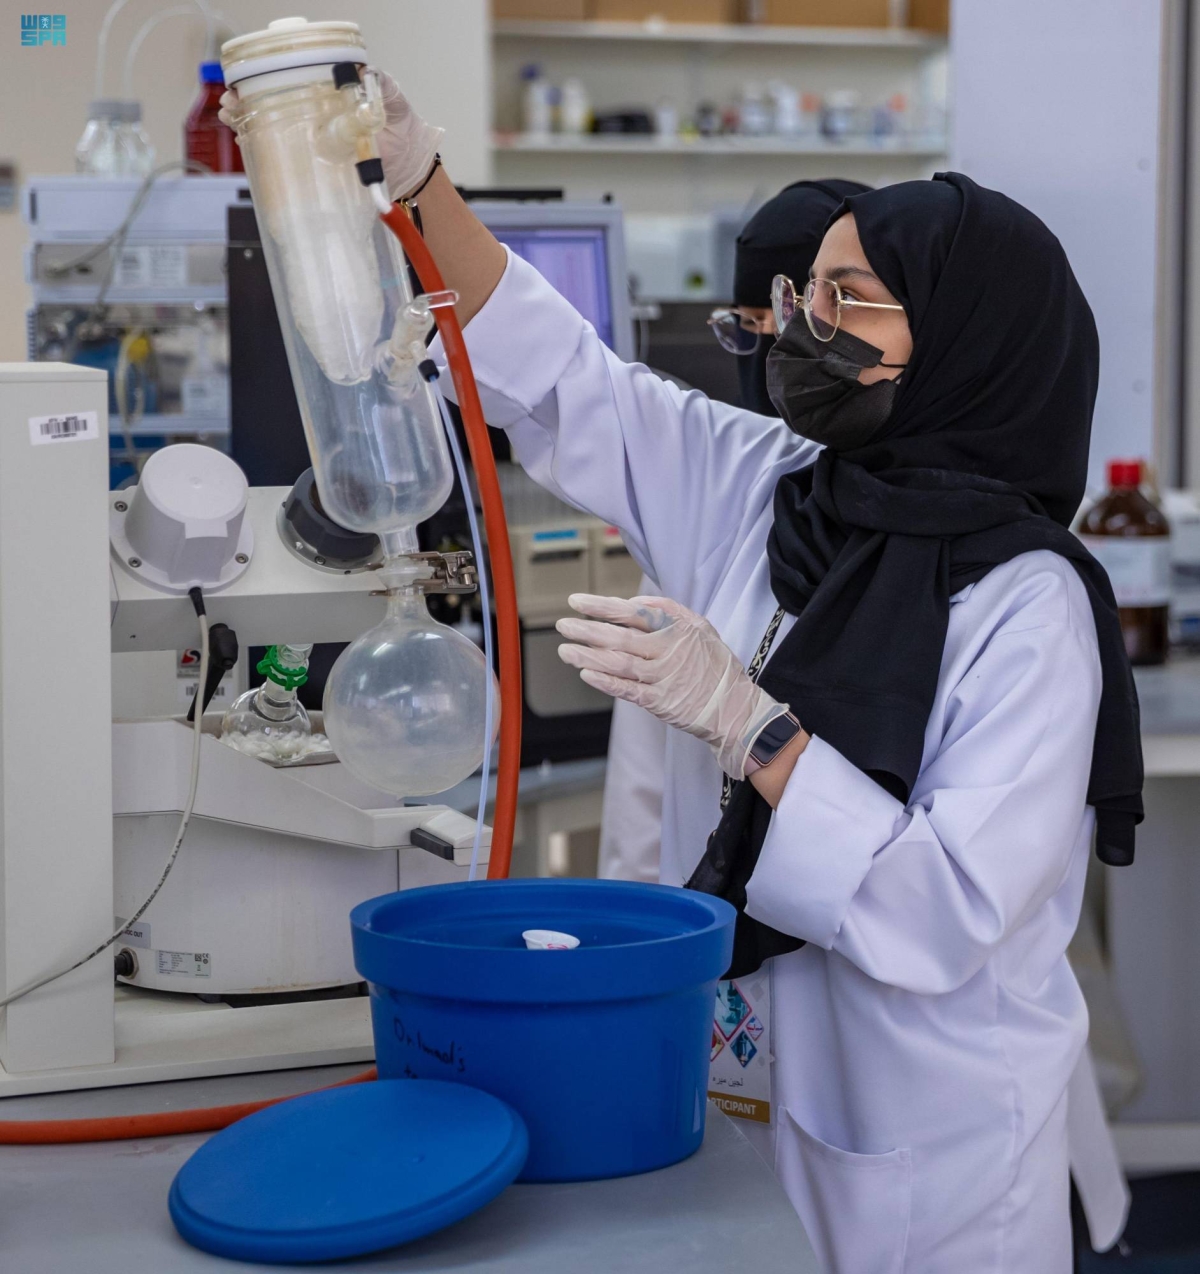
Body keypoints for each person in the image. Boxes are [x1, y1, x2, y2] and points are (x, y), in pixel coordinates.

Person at [224, 78, 1143, 1274]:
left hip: (928, 1128)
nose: (805, 328)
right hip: (737, 1064)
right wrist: (421, 185)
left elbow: (948, 911)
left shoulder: (1028, 603)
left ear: (967, 342)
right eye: (805, 293)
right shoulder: (772, 483)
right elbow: (570, 380)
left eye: (848, 299)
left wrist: (753, 729)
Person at [599, 179, 870, 887]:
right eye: (744, 329)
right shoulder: (718, 499)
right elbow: (642, 790)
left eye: (784, 328)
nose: (769, 359)